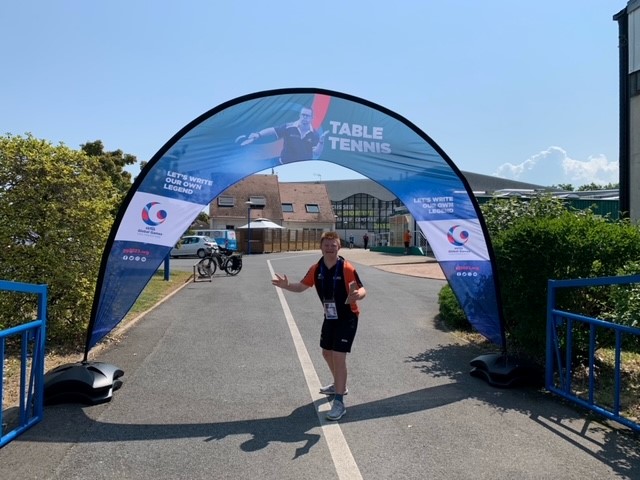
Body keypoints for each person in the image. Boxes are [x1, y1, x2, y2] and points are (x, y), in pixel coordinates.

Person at [271, 232, 366, 421]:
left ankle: (339, 402)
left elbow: (362, 289)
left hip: (348, 317)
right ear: (321, 247)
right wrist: (286, 285)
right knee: (326, 353)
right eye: (327, 245)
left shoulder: (346, 267)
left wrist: (358, 295)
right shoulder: (316, 269)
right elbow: (301, 287)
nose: (330, 248)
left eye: (334, 245)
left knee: (339, 357)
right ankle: (339, 384)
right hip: (330, 316)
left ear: (339, 247)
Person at [240, 106, 328, 164]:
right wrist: (258, 135)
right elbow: (273, 130)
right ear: (300, 115)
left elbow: (316, 152)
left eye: (307, 116)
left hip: (302, 170)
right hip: (283, 166)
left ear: (312, 118)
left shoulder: (315, 134)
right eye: (303, 115)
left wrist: (321, 142)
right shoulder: (289, 127)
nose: (304, 117)